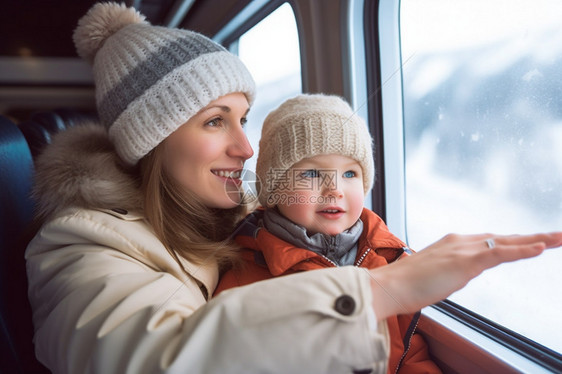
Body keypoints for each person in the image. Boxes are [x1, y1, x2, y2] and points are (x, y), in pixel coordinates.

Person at [24, 3, 562, 374]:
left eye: (244, 119)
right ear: (153, 140)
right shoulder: (82, 247)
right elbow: (152, 358)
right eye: (216, 122)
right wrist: (382, 291)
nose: (246, 148)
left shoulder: (254, 220)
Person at [214, 93, 441, 373]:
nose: (335, 189)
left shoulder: (388, 259)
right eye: (312, 174)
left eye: (349, 174)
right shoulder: (245, 277)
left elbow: (409, 352)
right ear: (274, 191)